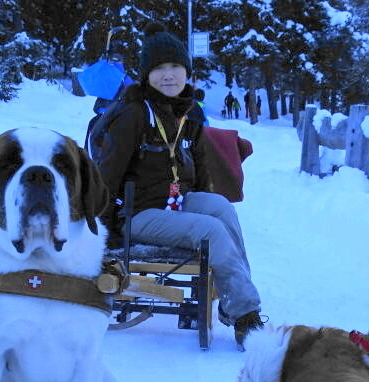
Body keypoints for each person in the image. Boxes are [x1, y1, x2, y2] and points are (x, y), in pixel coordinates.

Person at [95, 23, 266, 349]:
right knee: (211, 230)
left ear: (187, 72)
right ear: (146, 74)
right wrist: (103, 233)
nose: (168, 75)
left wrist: (203, 198)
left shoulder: (190, 115)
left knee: (221, 209)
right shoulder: (133, 115)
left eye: (175, 66)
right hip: (139, 214)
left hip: (175, 203)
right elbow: (107, 176)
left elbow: (200, 169)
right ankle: (246, 315)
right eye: (159, 68)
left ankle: (234, 300)